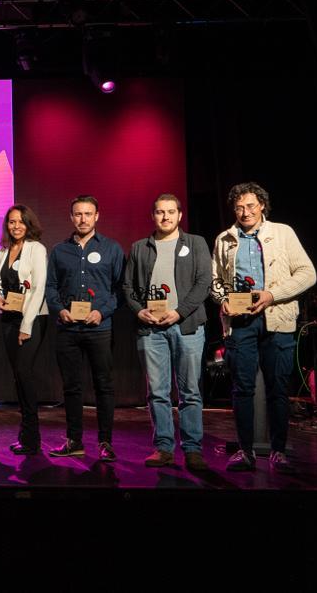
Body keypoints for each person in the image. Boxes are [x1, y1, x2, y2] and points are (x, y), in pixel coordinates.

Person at [211, 182, 315, 473]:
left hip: (278, 318)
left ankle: (278, 451)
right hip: (241, 323)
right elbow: (216, 281)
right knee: (242, 388)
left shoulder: (283, 233)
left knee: (277, 388)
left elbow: (308, 274)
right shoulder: (224, 239)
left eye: (251, 206)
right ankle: (245, 452)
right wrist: (223, 300)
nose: (245, 212)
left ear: (262, 206)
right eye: (240, 207)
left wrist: (272, 295)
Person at [123, 194, 213, 471]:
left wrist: (179, 312)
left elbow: (204, 282)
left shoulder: (196, 243)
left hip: (186, 327)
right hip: (150, 329)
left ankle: (193, 450)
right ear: (153, 216)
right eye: (160, 212)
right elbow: (128, 287)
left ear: (180, 215)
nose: (165, 217)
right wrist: (139, 311)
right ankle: (163, 448)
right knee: (158, 392)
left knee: (190, 392)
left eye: (171, 212)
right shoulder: (140, 247)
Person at [45, 196, 124, 462]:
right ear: (71, 217)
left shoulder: (112, 249)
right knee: (71, 387)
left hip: (99, 327)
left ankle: (105, 442)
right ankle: (74, 440)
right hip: (67, 329)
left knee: (104, 386)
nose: (83, 219)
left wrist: (102, 311)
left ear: (97, 216)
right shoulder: (59, 251)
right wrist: (59, 310)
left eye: (88, 214)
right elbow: (51, 287)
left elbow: (119, 290)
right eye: (78, 214)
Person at [0, 205, 49, 456]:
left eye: (21, 222)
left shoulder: (36, 249)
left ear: (29, 224)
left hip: (32, 319)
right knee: (18, 375)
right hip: (8, 319)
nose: (16, 226)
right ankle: (25, 435)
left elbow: (38, 288)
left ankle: (32, 437)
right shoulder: (3, 251)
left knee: (25, 375)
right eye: (12, 222)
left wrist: (26, 326)